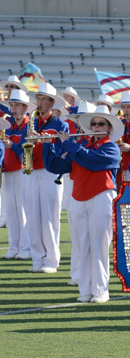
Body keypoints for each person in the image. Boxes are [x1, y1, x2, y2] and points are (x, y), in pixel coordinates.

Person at [43, 105, 121, 302]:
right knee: (82, 246)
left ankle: (101, 290)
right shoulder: (81, 147)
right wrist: (46, 145)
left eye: (100, 124)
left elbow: (90, 161)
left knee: (99, 246)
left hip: (101, 197)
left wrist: (69, 145)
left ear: (109, 127)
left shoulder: (111, 147)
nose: (96, 127)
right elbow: (55, 166)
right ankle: (85, 290)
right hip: (78, 197)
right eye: (93, 124)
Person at [24, 83, 67, 273]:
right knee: (33, 217)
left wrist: (43, 141)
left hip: (51, 172)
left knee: (49, 217)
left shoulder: (60, 124)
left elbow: (63, 150)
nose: (39, 103)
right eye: (38, 99)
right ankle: (37, 258)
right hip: (32, 170)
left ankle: (51, 260)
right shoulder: (31, 122)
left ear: (51, 103)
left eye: (42, 100)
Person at [0, 89, 34, 259]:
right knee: (11, 211)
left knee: (22, 211)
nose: (13, 109)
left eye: (16, 106)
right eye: (12, 105)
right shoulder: (9, 124)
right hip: (8, 170)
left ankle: (26, 247)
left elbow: (27, 149)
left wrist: (11, 145)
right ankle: (13, 247)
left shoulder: (29, 125)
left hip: (22, 170)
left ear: (24, 107)